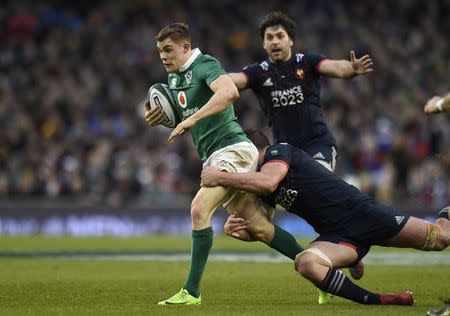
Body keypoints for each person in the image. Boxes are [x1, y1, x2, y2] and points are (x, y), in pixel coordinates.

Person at [145, 23, 324, 306]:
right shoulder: (176, 80)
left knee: (198, 208)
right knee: (261, 229)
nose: (164, 56)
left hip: (233, 150)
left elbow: (228, 92)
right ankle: (323, 274)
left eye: (169, 50)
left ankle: (191, 292)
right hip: (215, 156)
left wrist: (190, 120)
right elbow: (182, 109)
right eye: (160, 52)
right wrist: (165, 115)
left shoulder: (205, 64)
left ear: (185, 48)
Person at [201, 129, 450, 305]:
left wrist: (220, 177)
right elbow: (263, 229)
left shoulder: (280, 152)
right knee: (306, 263)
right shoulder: (261, 182)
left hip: (364, 215)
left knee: (440, 239)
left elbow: (267, 182)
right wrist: (239, 230)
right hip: (336, 237)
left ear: (251, 149)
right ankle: (383, 300)